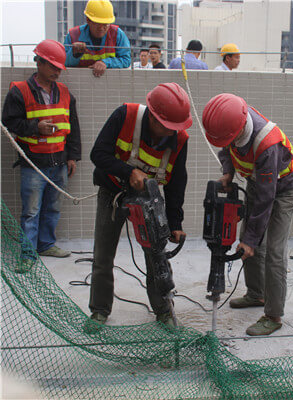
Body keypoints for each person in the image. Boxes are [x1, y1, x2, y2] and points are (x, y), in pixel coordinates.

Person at [88, 83, 191, 330]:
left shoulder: (179, 139)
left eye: (175, 128)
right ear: (154, 117)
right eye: (167, 127)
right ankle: (99, 311)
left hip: (149, 200)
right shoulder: (125, 115)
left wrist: (175, 223)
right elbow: (98, 154)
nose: (171, 132)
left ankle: (164, 311)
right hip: (113, 192)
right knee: (103, 254)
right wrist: (128, 171)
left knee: (156, 255)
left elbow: (177, 184)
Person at [202, 93, 293, 336]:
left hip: (284, 190)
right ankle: (256, 294)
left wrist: (251, 240)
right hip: (259, 183)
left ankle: (274, 315)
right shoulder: (232, 121)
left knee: (273, 252)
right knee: (249, 238)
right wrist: (227, 172)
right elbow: (226, 149)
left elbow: (268, 199)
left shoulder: (268, 144)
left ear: (239, 130)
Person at [1, 40, 81, 269]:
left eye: (59, 68)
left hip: (59, 161)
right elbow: (9, 123)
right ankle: (28, 254)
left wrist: (72, 157)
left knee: (53, 206)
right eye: (53, 67)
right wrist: (36, 127)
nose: (57, 72)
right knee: (31, 211)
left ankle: (46, 244)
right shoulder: (20, 91)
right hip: (34, 162)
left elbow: (73, 128)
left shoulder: (65, 93)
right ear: (40, 63)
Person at [64, 0, 131, 77]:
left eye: (105, 24)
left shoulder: (117, 35)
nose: (101, 28)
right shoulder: (74, 36)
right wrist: (74, 54)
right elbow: (63, 62)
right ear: (88, 20)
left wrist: (105, 62)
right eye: (97, 24)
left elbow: (126, 60)